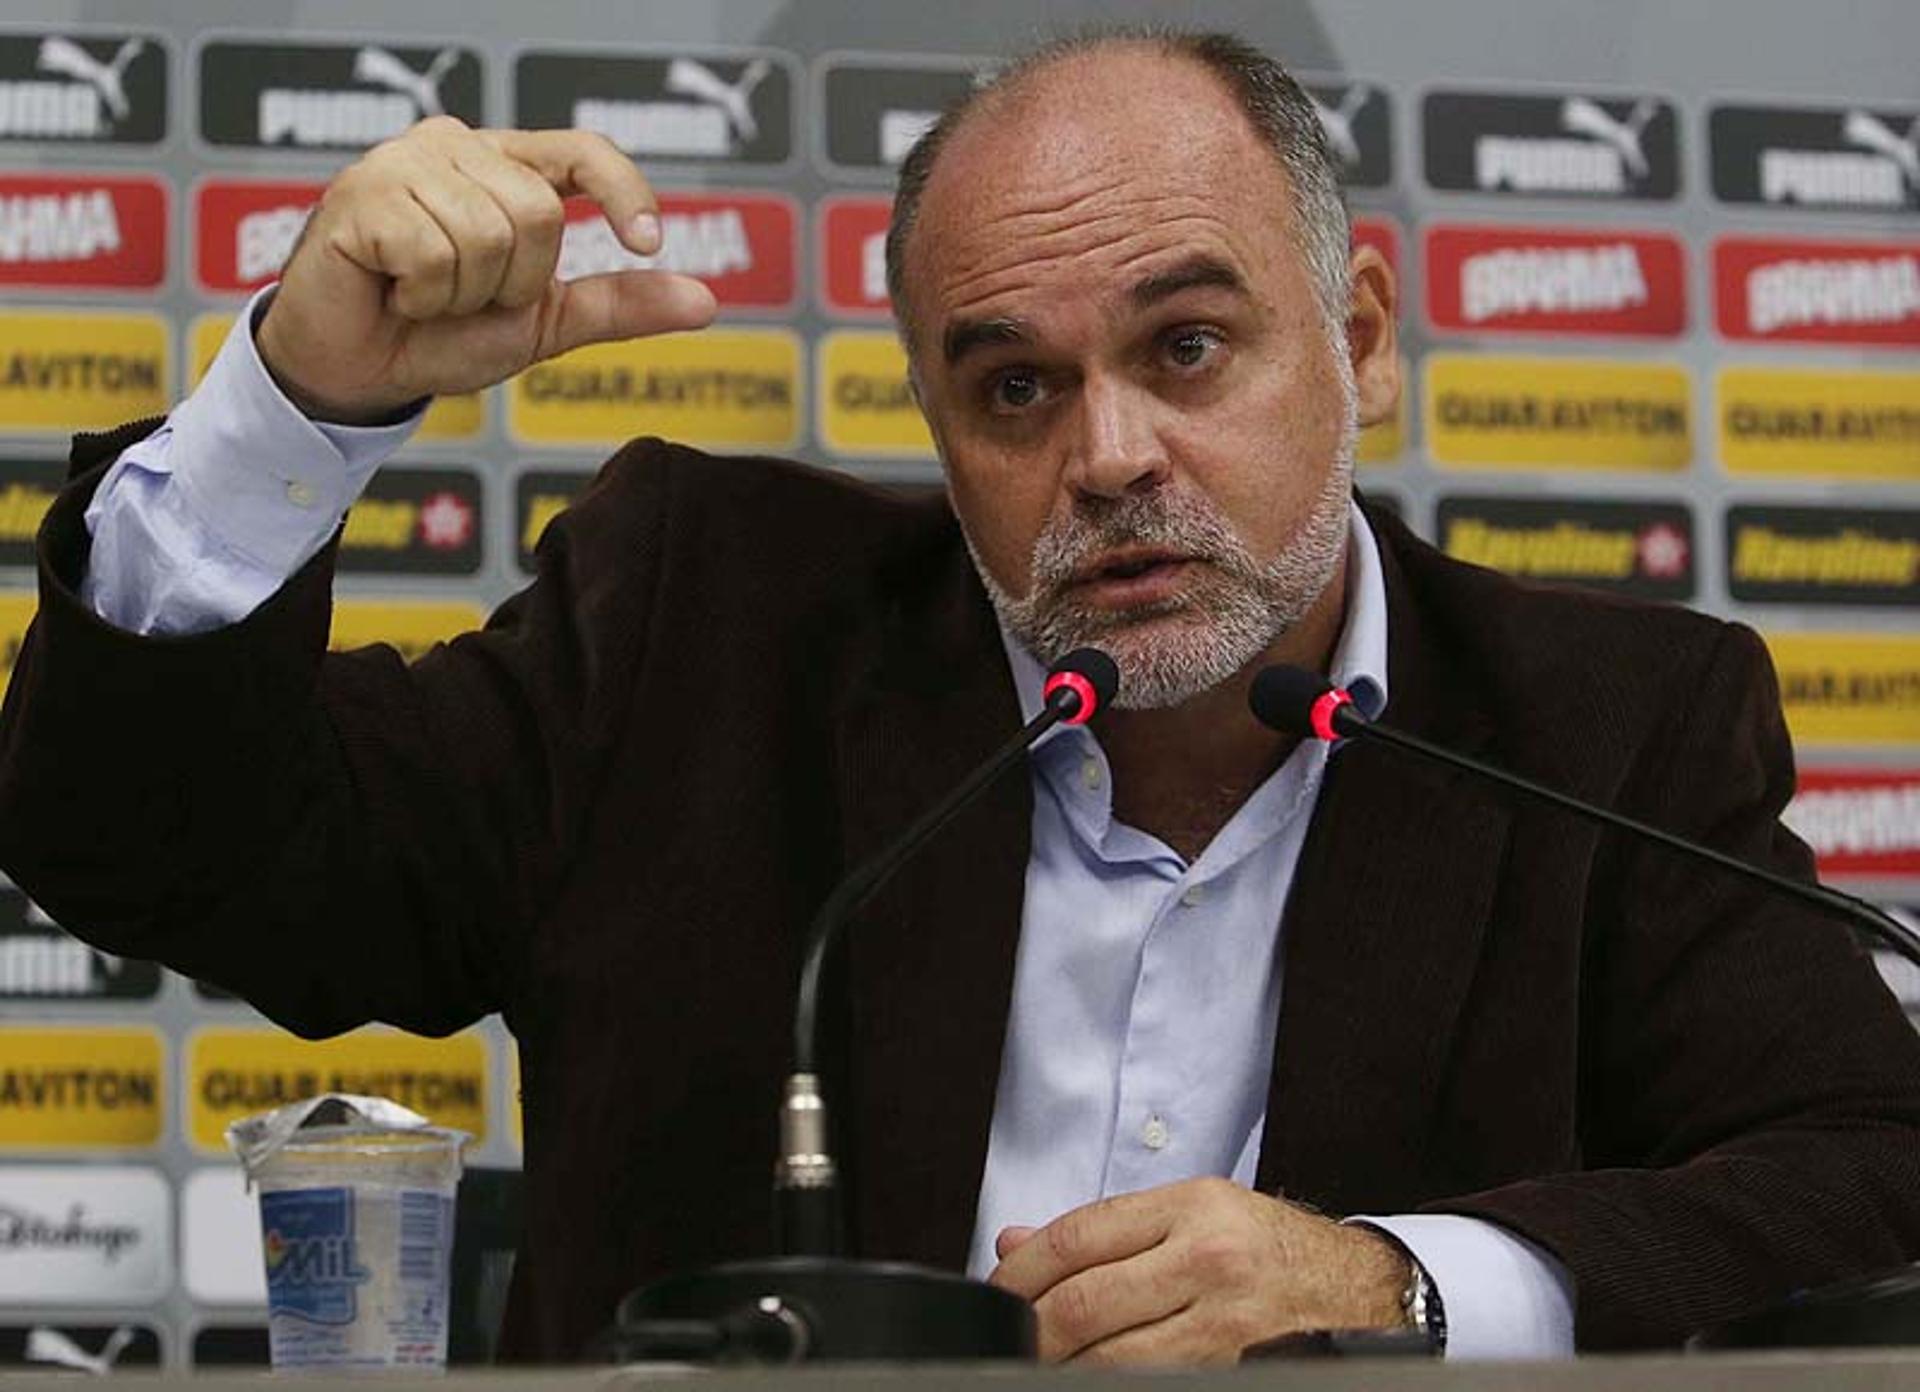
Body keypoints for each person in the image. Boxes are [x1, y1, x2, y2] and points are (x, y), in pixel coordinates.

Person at [2, 28, 1917, 1366]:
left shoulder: (1609, 727)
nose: (1107, 454)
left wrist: (1404, 1291)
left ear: (1358, 344)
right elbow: (158, 849)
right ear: (934, 418)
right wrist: (303, 403)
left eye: (1188, 345)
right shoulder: (708, 629)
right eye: (1012, 388)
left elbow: (1876, 1181)